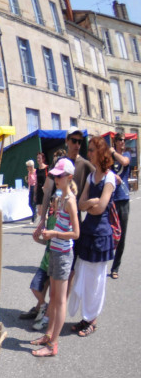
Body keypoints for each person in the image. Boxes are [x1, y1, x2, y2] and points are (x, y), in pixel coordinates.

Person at [67, 137, 117, 338]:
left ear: (102, 152)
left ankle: (92, 320)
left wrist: (91, 203)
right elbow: (80, 204)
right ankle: (86, 317)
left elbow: (101, 208)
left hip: (101, 234)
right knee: (84, 276)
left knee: (96, 280)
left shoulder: (110, 177)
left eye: (94, 150)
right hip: (88, 232)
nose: (90, 153)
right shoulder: (91, 177)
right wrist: (91, 202)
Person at [29, 158, 79, 357]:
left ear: (69, 177)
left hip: (63, 254)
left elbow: (76, 233)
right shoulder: (62, 198)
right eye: (55, 175)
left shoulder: (71, 202)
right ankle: (49, 335)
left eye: (60, 176)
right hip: (55, 252)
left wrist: (54, 235)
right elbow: (59, 225)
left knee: (59, 302)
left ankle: (53, 345)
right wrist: (44, 232)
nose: (56, 179)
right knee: (54, 298)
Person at [41, 130, 94, 213]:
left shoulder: (85, 164)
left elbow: (100, 176)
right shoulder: (58, 162)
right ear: (67, 140)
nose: (77, 145)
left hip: (75, 214)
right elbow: (47, 189)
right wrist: (43, 218)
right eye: (74, 141)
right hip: (59, 214)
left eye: (79, 142)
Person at [109, 132, 131, 279]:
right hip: (110, 198)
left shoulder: (127, 154)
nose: (122, 142)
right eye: (120, 140)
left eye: (124, 140)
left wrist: (112, 151)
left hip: (123, 199)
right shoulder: (110, 158)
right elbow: (102, 170)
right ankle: (101, 260)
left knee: (121, 235)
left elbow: (124, 162)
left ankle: (115, 267)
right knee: (107, 232)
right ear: (115, 141)